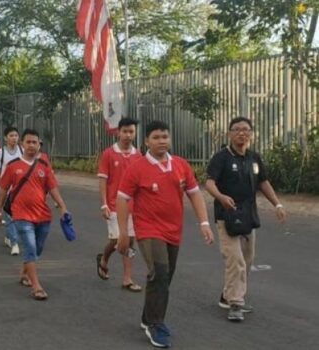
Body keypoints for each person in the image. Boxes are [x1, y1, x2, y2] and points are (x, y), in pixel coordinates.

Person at [116, 120, 215, 349]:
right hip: (148, 229)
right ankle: (156, 325)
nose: (162, 141)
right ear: (147, 141)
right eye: (156, 137)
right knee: (159, 272)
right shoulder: (137, 167)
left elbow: (195, 194)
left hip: (173, 230)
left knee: (165, 276)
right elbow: (122, 199)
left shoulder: (180, 165)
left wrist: (204, 222)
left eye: (165, 137)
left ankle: (147, 317)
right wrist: (123, 232)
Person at [205, 117, 287, 322]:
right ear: (229, 133)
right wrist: (221, 197)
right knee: (235, 259)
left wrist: (277, 204)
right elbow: (209, 183)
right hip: (227, 216)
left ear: (251, 133)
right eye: (237, 129)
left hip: (248, 216)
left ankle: (228, 294)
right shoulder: (221, 158)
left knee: (247, 260)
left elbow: (263, 182)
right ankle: (235, 303)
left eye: (246, 130)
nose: (242, 133)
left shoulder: (254, 158)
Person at [0, 129, 68, 301]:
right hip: (21, 215)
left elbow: (53, 188)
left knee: (37, 249)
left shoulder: (44, 165)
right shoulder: (13, 166)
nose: (32, 146)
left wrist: (62, 207)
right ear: (22, 143)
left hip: (42, 215)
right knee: (30, 247)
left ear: (39, 144)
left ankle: (24, 271)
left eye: (35, 142)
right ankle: (36, 286)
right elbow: (3, 190)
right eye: (28, 142)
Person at [96, 118, 143, 292]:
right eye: (125, 131)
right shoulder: (109, 154)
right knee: (117, 240)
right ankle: (104, 259)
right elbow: (103, 180)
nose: (128, 135)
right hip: (114, 205)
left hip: (132, 207)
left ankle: (127, 278)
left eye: (131, 131)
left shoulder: (138, 155)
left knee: (130, 241)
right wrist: (104, 204)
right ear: (118, 132)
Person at [0, 127, 23, 256]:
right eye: (11, 135)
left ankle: (9, 237)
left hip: (20, 190)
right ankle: (14, 243)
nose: (14, 138)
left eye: (16, 135)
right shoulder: (0, 153)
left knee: (19, 217)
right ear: (5, 138)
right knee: (10, 216)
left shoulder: (23, 151)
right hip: (6, 190)